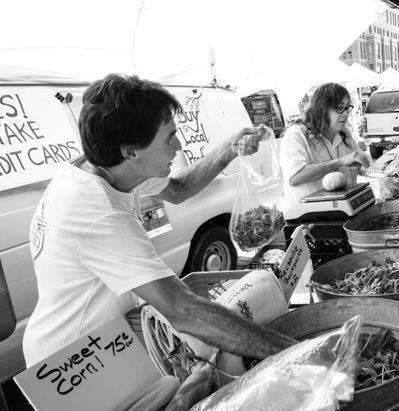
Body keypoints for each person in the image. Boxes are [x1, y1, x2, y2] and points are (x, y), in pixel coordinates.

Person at [23, 74, 296, 366]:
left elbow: (179, 189)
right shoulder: (99, 212)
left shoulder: (113, 166)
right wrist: (293, 350)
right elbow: (184, 311)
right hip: (70, 361)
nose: (178, 146)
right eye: (169, 137)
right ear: (131, 151)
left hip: (105, 340)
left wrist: (230, 148)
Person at [280, 82, 369, 210]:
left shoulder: (343, 134)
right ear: (322, 108)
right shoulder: (296, 134)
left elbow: (362, 165)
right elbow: (295, 177)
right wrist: (339, 162)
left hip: (341, 213)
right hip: (308, 217)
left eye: (347, 107)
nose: (345, 113)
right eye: (339, 108)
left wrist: (360, 163)